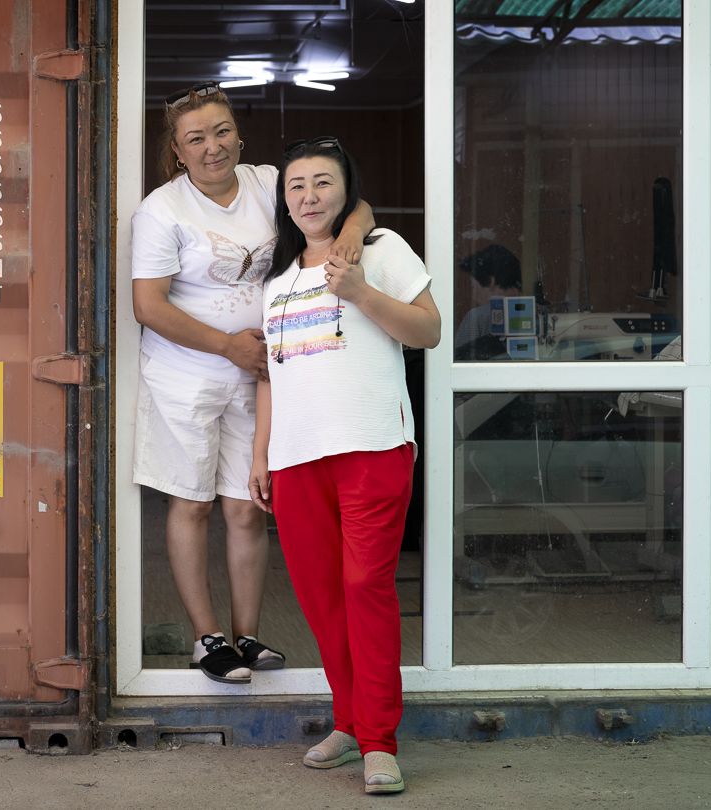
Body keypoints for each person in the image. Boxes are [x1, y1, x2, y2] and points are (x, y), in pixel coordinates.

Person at [130, 82, 375, 684]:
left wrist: (349, 238)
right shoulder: (163, 210)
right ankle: (206, 638)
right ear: (178, 151)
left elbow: (357, 205)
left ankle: (248, 635)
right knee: (191, 501)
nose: (212, 147)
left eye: (221, 132)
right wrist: (226, 346)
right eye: (196, 139)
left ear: (238, 134)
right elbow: (148, 306)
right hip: (185, 377)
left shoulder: (270, 181)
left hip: (260, 376)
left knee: (247, 507)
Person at [249, 136, 440, 794]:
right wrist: (260, 454)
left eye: (322, 182)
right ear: (284, 199)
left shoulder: (380, 250)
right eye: (296, 185)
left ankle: (381, 741)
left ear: (346, 188)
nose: (309, 196)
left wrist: (359, 292)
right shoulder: (276, 279)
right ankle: (349, 721)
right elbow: (269, 375)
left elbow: (428, 330)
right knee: (322, 599)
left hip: (372, 447)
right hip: (297, 459)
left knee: (365, 587)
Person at [453, 243, 521, 360]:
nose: (474, 297)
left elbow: (458, 361)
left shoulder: (477, 317)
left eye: (473, 287)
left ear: (490, 281)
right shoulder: (537, 312)